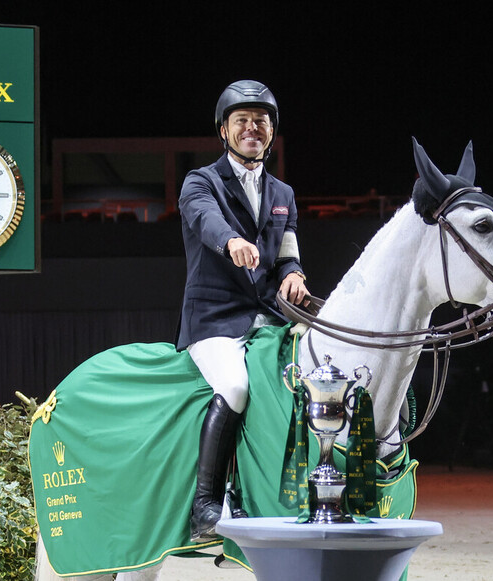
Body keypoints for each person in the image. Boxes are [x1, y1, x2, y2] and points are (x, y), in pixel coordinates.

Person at [176, 80, 309, 536]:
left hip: (267, 318)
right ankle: (206, 507)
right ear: (224, 131)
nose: (253, 128)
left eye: (261, 121)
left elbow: (288, 249)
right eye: (242, 121)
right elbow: (204, 219)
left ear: (271, 131)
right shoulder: (201, 181)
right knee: (235, 386)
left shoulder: (283, 194)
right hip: (213, 319)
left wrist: (294, 274)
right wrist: (230, 240)